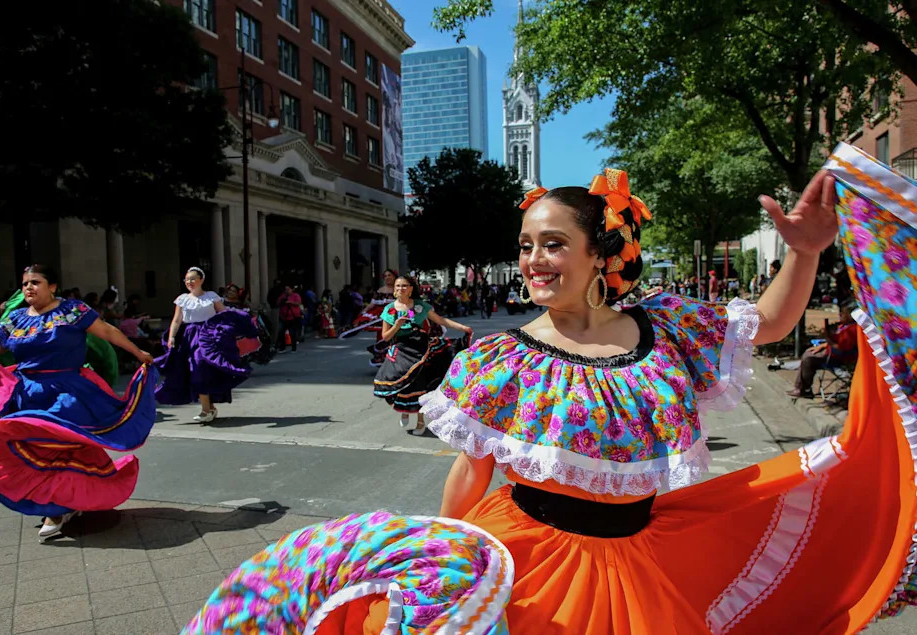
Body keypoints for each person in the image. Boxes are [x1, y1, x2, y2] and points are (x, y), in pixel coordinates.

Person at [184, 155, 917, 633]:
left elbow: (771, 321)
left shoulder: (664, 330)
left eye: (554, 243)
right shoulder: (501, 359)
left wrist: (806, 249)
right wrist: (439, 555)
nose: (534, 259)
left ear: (600, 253)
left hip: (640, 558)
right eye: (527, 244)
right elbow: (470, 470)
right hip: (526, 554)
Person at [0, 265, 156, 542]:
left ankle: (60, 508)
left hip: (66, 392)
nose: (29, 288)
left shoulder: (72, 311)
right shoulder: (16, 318)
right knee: (28, 449)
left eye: (36, 282)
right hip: (25, 393)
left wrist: (138, 352)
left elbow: (107, 332)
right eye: (25, 284)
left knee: (60, 448)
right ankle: (57, 504)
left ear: (52, 286)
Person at [154, 267, 257, 423]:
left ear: (201, 280)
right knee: (196, 368)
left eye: (192, 279)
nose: (189, 282)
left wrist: (235, 324)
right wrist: (172, 337)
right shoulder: (182, 299)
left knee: (203, 368)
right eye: (187, 280)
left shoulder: (211, 297)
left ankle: (206, 410)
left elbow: (223, 314)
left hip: (209, 335)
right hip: (190, 337)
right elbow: (176, 320)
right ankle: (209, 408)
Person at [373, 275, 473, 435]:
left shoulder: (420, 306)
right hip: (400, 350)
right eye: (397, 286)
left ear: (411, 288)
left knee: (420, 385)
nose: (400, 289)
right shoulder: (390, 309)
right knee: (397, 383)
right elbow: (386, 336)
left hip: (420, 349)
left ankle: (420, 423)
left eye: (404, 285)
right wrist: (397, 325)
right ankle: (404, 410)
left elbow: (440, 320)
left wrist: (462, 328)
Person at [786, 300, 860, 398]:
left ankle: (804, 389)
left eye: (843, 313)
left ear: (851, 315)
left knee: (808, 359)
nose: (840, 315)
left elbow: (840, 348)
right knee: (808, 353)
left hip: (839, 357)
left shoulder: (852, 330)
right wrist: (822, 345)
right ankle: (801, 387)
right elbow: (835, 341)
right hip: (832, 352)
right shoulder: (844, 326)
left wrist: (828, 339)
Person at [339, 269, 399, 367]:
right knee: (382, 335)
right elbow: (372, 304)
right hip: (382, 315)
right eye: (386, 276)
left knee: (395, 335)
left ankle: (394, 357)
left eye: (389, 275)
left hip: (396, 314)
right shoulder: (380, 290)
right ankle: (383, 357)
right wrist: (364, 311)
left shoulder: (399, 289)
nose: (387, 277)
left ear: (394, 277)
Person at [276, 284, 303, 353]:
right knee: (281, 332)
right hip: (283, 317)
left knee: (292, 333)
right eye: (285, 289)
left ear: (292, 289)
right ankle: (282, 347)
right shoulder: (283, 296)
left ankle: (294, 348)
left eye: (288, 289)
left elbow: (298, 303)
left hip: (293, 317)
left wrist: (290, 302)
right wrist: (282, 301)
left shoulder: (295, 295)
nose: (286, 291)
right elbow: (278, 303)